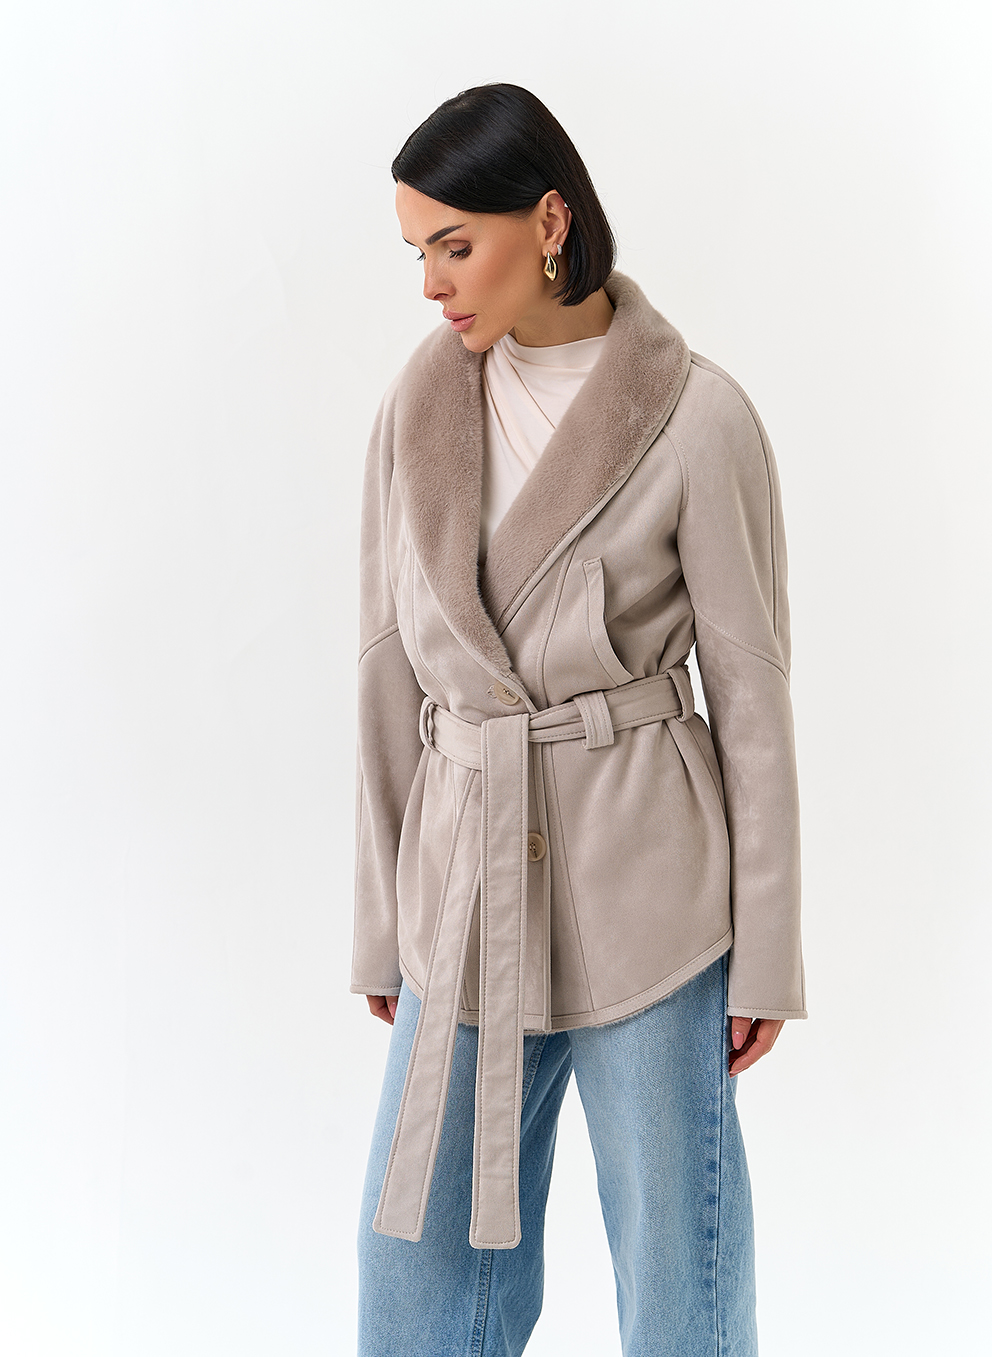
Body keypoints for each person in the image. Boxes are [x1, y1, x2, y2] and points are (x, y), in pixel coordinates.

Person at [350, 82, 805, 1357]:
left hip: (644, 887)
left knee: (675, 1268)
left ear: (548, 220)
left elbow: (750, 694)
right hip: (460, 884)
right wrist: (383, 923)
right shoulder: (417, 407)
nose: (431, 285)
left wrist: (765, 950)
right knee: (413, 1268)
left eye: (455, 244)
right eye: (415, 252)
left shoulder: (696, 414)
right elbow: (385, 665)